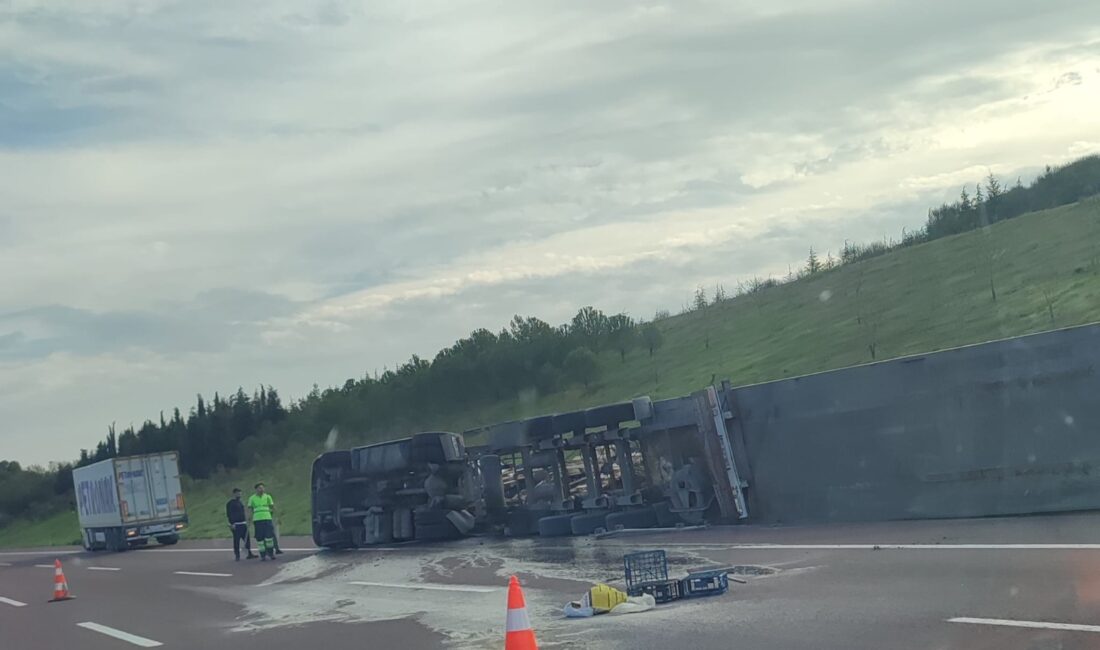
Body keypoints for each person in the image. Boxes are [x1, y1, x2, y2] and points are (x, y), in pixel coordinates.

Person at [247, 482, 277, 560]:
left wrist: (275, 515)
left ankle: (271, 553)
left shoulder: (268, 497)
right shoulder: (252, 498)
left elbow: (272, 507)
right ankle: (263, 555)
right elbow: (250, 509)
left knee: (269, 537)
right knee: (260, 538)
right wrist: (249, 518)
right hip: (257, 520)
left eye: (263, 487)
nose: (262, 489)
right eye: (260, 488)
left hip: (267, 518)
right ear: (256, 489)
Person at [225, 488, 257, 561]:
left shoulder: (240, 502)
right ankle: (237, 555)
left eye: (240, 493)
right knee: (236, 540)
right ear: (234, 494)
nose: (239, 495)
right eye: (238, 493)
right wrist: (231, 524)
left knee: (247, 539)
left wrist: (247, 519)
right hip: (236, 524)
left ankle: (249, 553)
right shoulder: (230, 503)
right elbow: (229, 514)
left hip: (243, 523)